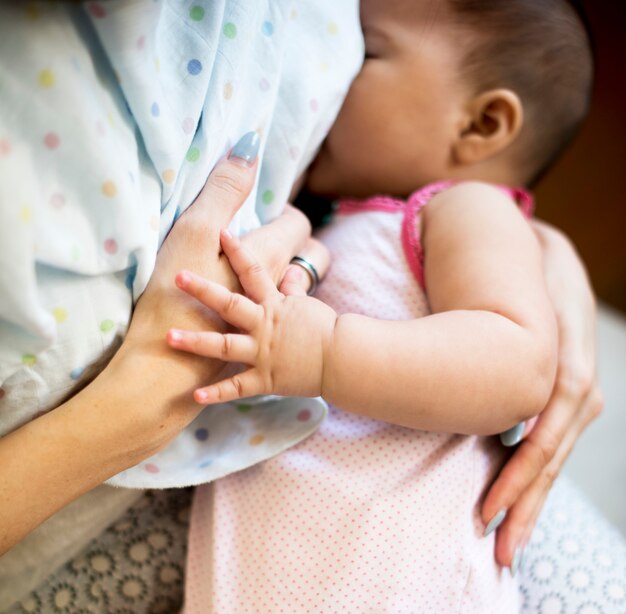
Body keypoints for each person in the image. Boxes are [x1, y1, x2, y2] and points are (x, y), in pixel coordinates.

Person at [0, 0, 614, 612]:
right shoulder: (348, 217)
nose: (338, 73)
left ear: (482, 124)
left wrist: (325, 351)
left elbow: (516, 364)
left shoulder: (465, 207)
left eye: (368, 51)